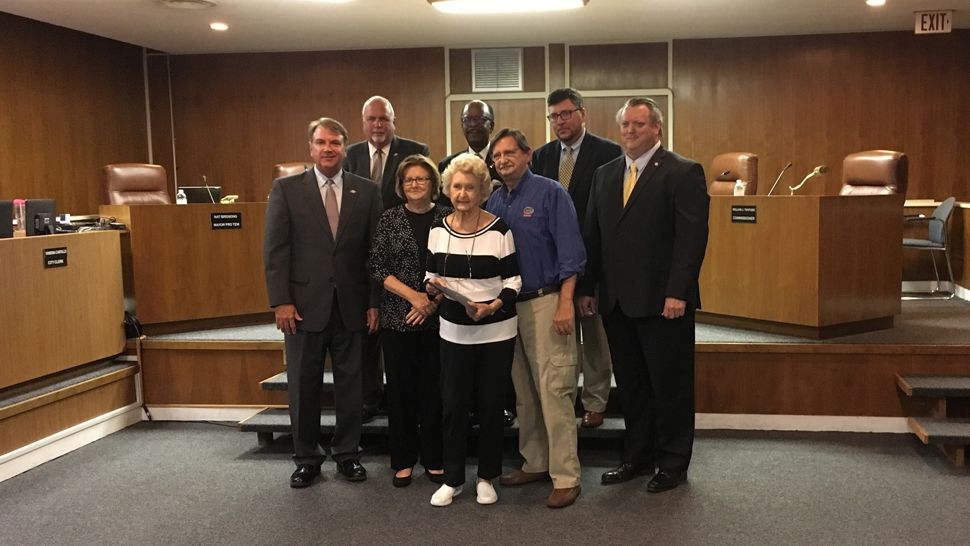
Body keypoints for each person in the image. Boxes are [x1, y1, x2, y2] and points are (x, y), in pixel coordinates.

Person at [577, 97, 709, 493]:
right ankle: (637, 456)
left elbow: (691, 240)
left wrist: (678, 292)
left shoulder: (683, 172)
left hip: (664, 303)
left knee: (669, 386)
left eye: (639, 124)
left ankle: (672, 463)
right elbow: (593, 236)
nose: (631, 131)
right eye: (626, 125)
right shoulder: (605, 174)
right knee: (632, 385)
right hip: (616, 302)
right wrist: (587, 287)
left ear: (657, 129)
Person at [263, 116, 382, 488]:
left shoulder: (366, 191)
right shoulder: (286, 189)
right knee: (303, 386)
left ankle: (347, 454)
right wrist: (280, 300)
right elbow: (275, 250)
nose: (328, 148)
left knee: (351, 386)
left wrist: (374, 302)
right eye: (321, 142)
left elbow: (374, 254)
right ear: (310, 148)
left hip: (352, 305)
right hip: (301, 307)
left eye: (335, 142)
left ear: (346, 148)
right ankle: (307, 458)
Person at [486, 129, 586, 509]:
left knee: (554, 390)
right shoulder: (495, 200)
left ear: (528, 155)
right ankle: (535, 461)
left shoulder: (550, 193)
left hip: (547, 302)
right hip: (508, 307)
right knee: (525, 392)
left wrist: (566, 302)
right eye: (497, 155)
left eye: (510, 152)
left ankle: (566, 476)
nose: (503, 159)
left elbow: (571, 252)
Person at [424, 153, 521, 507]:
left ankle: (486, 477)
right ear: (448, 189)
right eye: (457, 186)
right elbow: (429, 273)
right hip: (453, 331)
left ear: (482, 190)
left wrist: (492, 305)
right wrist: (433, 287)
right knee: (453, 405)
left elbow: (513, 279)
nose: (463, 193)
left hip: (496, 331)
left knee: (491, 405)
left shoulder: (500, 229)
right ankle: (453, 479)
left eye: (470, 187)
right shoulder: (438, 228)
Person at [531, 87, 622, 429]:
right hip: (552, 267)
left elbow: (608, 218)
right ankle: (562, 399)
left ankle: (596, 400)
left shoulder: (609, 153)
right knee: (560, 340)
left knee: (594, 338)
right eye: (554, 116)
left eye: (566, 114)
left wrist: (592, 278)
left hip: (593, 261)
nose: (560, 121)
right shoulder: (541, 156)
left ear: (583, 113)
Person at [345, 95, 431, 422]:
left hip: (403, 253)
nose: (378, 125)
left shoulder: (416, 150)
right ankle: (369, 398)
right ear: (363, 122)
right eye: (372, 119)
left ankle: (406, 399)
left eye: (384, 119)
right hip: (359, 254)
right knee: (367, 329)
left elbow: (424, 193)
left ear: (394, 121)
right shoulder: (349, 155)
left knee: (401, 336)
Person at [367, 155, 451, 488]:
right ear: (401, 187)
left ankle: (434, 458)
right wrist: (414, 297)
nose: (415, 184)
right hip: (396, 318)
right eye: (408, 180)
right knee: (401, 393)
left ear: (434, 182)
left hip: (440, 320)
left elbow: (458, 267)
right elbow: (376, 267)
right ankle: (402, 460)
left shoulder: (448, 218)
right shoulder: (389, 219)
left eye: (421, 179)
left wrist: (430, 303)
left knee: (435, 393)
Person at [438, 100, 500, 183]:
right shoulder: (448, 165)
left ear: (491, 126)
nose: (473, 124)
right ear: (462, 126)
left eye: (480, 119)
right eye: (467, 119)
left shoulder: (502, 162)